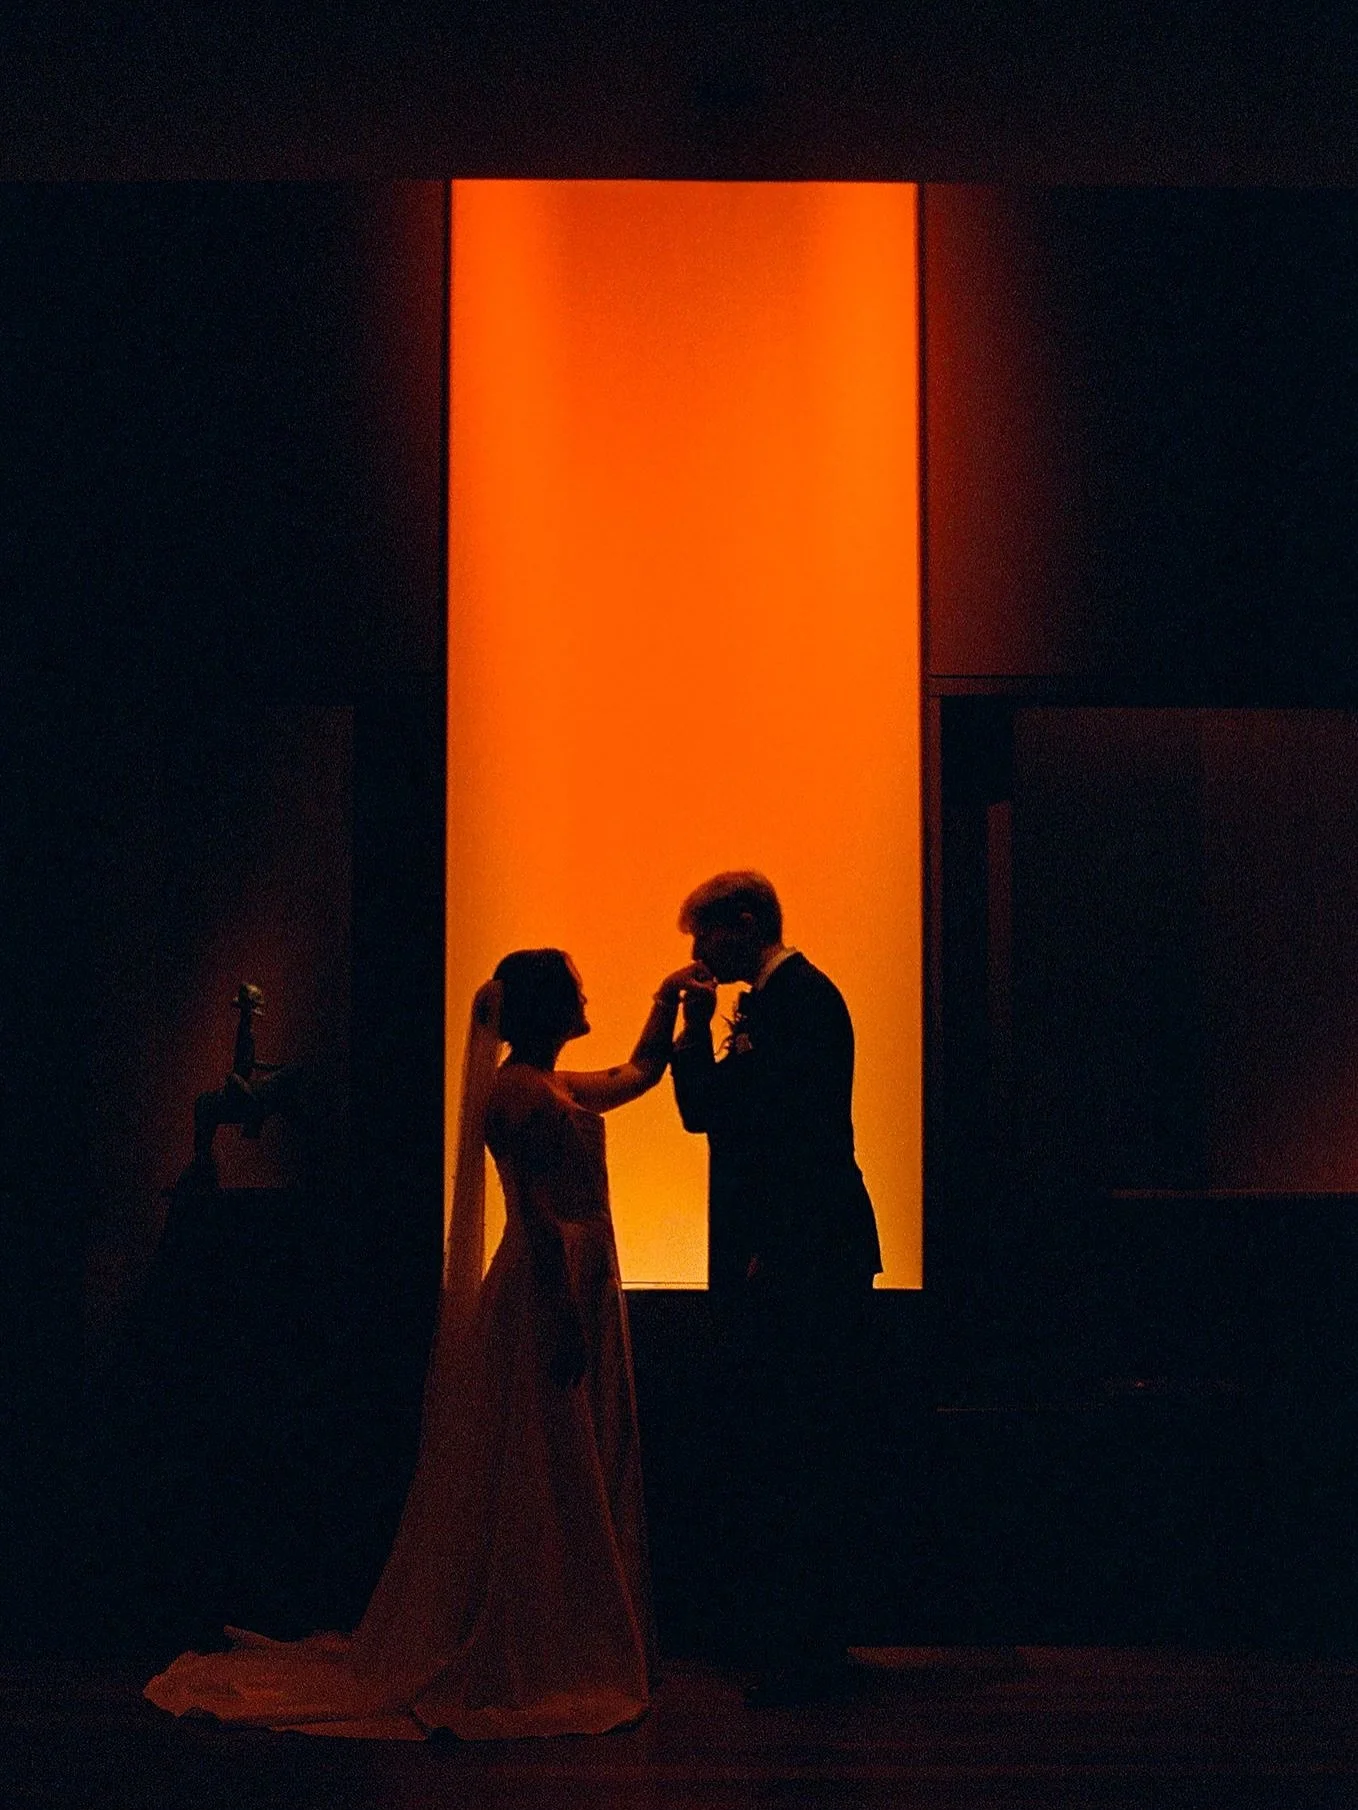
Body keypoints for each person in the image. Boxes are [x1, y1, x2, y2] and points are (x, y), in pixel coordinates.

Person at [145, 949, 697, 1740]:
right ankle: (537, 1644)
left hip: (573, 1276)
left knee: (552, 1458)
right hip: (551, 1286)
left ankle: (562, 1636)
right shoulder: (520, 1095)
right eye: (575, 986)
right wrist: (564, 1316)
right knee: (541, 1460)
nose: (585, 994)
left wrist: (668, 996)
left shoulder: (545, 1085)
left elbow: (639, 1073)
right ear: (545, 1006)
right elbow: (537, 1218)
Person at [669, 872, 881, 1706]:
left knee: (807, 1436)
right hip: (798, 1249)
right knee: (791, 1436)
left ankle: (809, 1639)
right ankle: (799, 1635)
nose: (696, 953)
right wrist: (693, 1025)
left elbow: (802, 1134)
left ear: (745, 923)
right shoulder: (782, 999)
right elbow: (709, 1113)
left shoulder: (803, 1000)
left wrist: (775, 1246)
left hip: (807, 1251)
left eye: (705, 936)